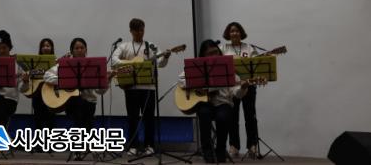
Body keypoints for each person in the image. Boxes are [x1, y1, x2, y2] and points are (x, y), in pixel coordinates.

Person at [178, 40, 249, 163]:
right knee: (204, 113)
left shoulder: (227, 66)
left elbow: (236, 93)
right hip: (204, 103)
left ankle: (220, 149)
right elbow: (181, 79)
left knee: (223, 117)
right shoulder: (198, 66)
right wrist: (198, 86)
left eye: (215, 52)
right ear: (203, 55)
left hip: (223, 103)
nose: (214, 55)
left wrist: (242, 87)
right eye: (210, 53)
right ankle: (207, 150)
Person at [111, 18, 171, 156]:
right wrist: (130, 64)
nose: (140, 33)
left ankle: (149, 145)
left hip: (148, 87)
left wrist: (166, 57)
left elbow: (160, 64)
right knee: (132, 117)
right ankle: (133, 145)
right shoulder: (124, 46)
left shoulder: (151, 46)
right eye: (136, 31)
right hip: (131, 87)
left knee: (149, 118)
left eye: (142, 30)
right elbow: (114, 60)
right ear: (131, 31)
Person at [43, 38, 109, 132]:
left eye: (82, 48)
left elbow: (100, 91)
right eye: (76, 48)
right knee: (79, 116)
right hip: (71, 103)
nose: (79, 50)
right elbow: (46, 75)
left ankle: (85, 137)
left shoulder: (92, 65)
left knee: (86, 122)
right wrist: (65, 81)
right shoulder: (66, 64)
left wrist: (108, 79)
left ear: (86, 50)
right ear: (72, 51)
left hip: (89, 102)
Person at [220, 22, 260, 159]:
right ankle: (234, 146)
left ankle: (252, 145)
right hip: (232, 87)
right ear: (228, 34)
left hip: (248, 85)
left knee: (250, 116)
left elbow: (257, 65)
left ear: (241, 33)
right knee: (232, 117)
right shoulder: (223, 48)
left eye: (237, 31)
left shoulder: (249, 48)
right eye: (232, 31)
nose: (234, 33)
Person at [22, 38, 56, 133]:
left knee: (50, 121)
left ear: (52, 48)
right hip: (37, 95)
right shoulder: (34, 63)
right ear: (40, 48)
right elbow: (30, 77)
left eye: (48, 46)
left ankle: (50, 140)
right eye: (43, 46)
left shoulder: (55, 62)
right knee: (38, 120)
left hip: (51, 95)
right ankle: (38, 140)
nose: (45, 48)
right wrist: (26, 77)